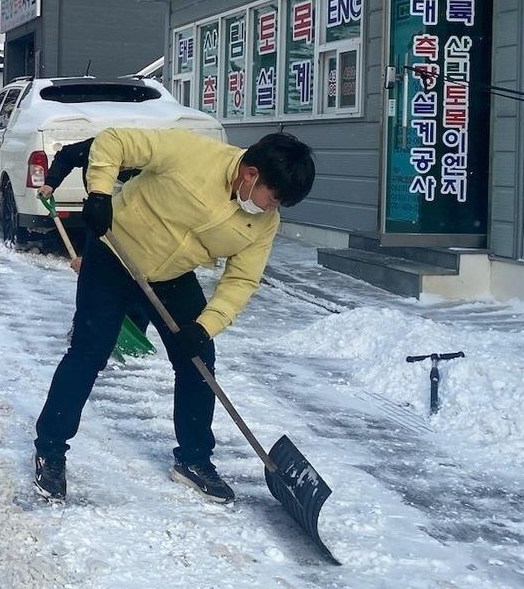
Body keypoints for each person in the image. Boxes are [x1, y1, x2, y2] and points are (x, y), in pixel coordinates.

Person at [33, 129, 315, 505]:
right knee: (89, 353)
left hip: (171, 276)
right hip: (112, 257)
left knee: (198, 361)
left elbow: (242, 279)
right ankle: (50, 450)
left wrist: (204, 326)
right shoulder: (192, 153)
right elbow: (115, 141)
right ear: (250, 174)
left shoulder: (263, 224)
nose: (270, 209)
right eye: (272, 198)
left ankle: (194, 461)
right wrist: (100, 194)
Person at [37, 138, 141, 272]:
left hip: (134, 218)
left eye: (123, 165)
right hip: (98, 213)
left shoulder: (146, 161)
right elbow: (66, 156)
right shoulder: (97, 147)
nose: (118, 167)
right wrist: (50, 183)